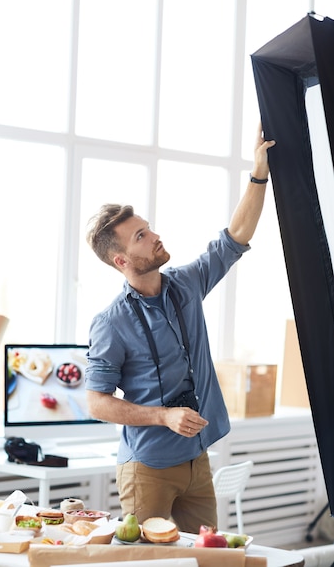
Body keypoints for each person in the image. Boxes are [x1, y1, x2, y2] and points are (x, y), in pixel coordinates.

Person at [84, 125, 276, 533]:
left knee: (207, 559)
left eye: (148, 227)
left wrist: (259, 173)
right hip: (148, 467)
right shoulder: (111, 322)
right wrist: (163, 416)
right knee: (148, 563)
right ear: (121, 260)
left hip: (197, 458)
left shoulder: (186, 285)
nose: (155, 236)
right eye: (141, 236)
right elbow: (96, 403)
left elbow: (233, 239)